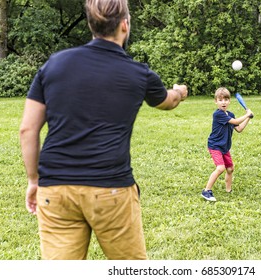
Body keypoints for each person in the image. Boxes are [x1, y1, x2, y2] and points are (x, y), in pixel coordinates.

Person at [19, 0, 187, 260]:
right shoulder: (138, 73)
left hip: (56, 191)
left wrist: (33, 180)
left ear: (91, 25)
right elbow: (167, 101)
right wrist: (179, 92)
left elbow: (28, 129)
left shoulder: (55, 64)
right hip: (112, 190)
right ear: (124, 25)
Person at [201, 87, 253, 202]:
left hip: (224, 146)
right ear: (216, 102)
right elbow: (234, 122)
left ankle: (228, 190)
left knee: (230, 169)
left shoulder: (230, 114)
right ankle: (206, 191)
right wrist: (246, 114)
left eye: (226, 99)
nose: (223, 102)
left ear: (229, 101)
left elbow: (239, 128)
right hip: (215, 146)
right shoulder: (218, 114)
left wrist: (248, 118)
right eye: (220, 100)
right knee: (220, 168)